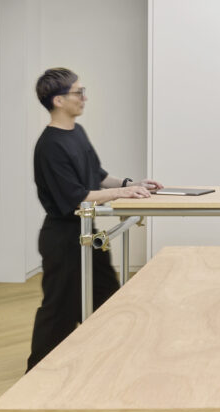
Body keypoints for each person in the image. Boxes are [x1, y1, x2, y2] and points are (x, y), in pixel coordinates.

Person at [27, 67, 159, 369]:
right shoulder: (49, 146)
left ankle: (109, 361)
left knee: (107, 298)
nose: (84, 97)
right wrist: (121, 194)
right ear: (58, 100)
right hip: (63, 239)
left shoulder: (77, 133)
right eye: (78, 92)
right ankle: (37, 373)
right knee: (59, 310)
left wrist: (131, 184)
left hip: (87, 232)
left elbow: (96, 176)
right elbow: (76, 197)